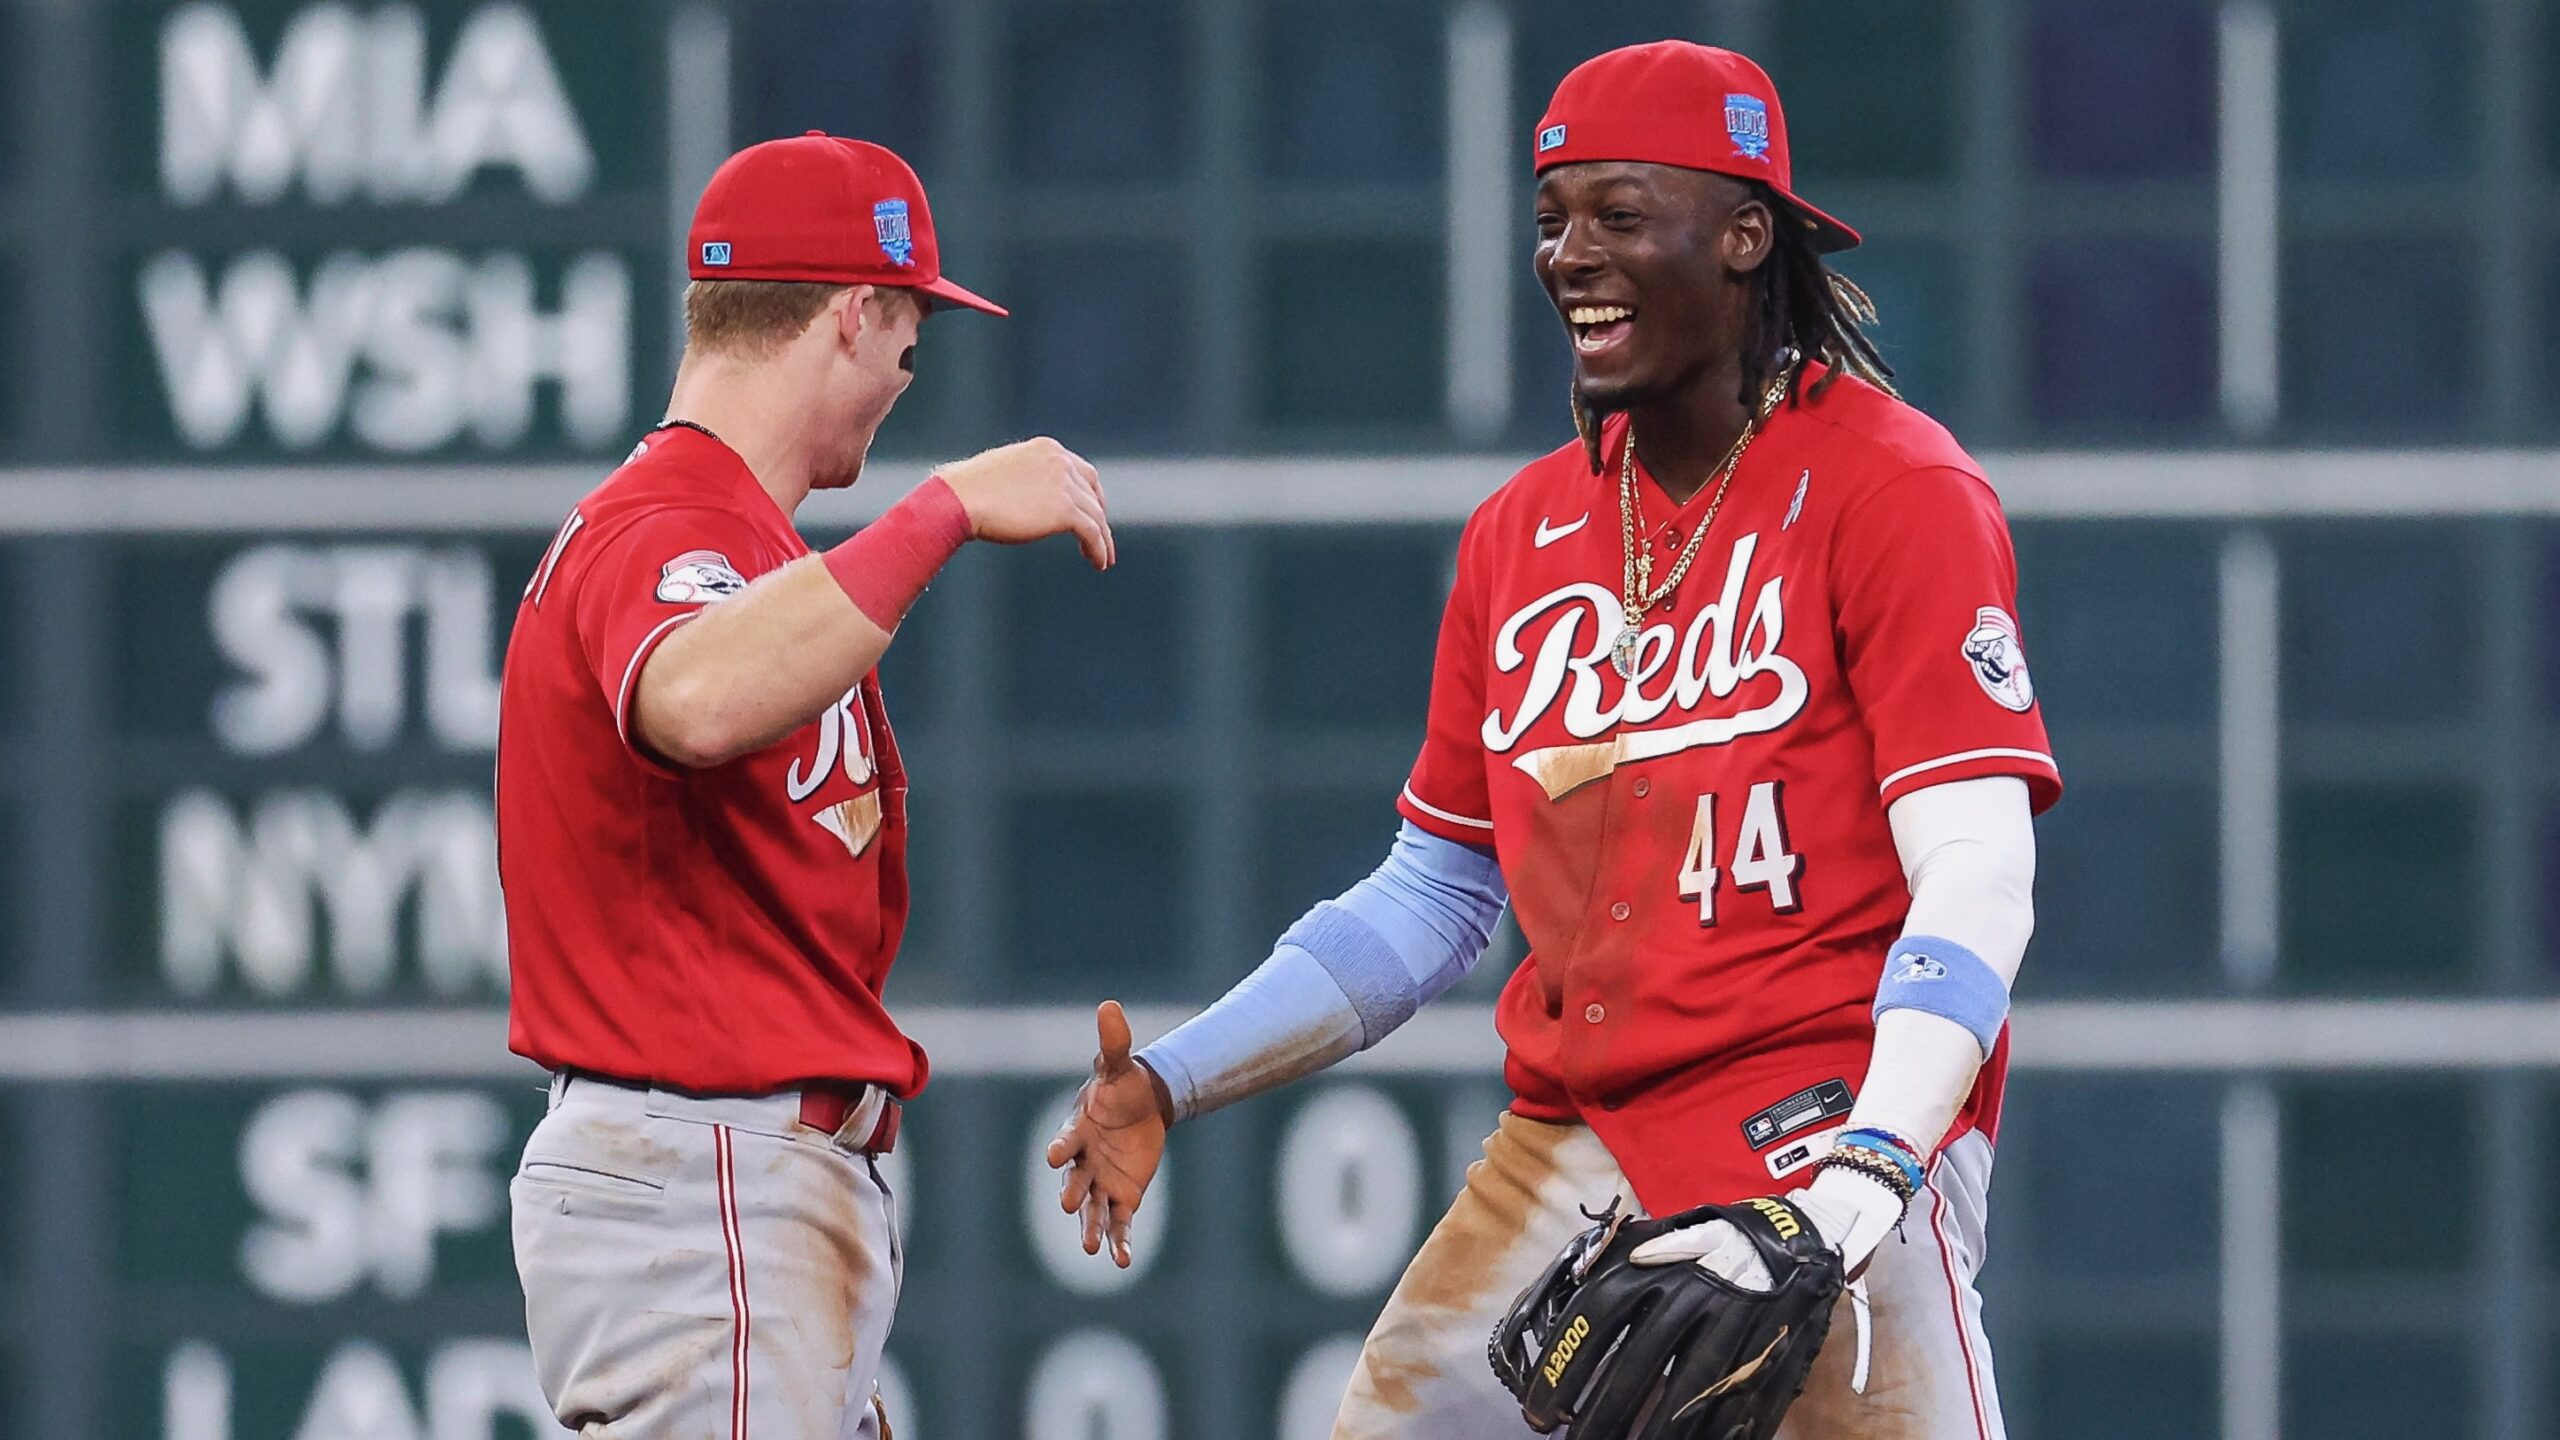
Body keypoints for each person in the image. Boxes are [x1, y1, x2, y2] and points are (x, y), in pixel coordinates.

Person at [1046, 41, 2057, 1439]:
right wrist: (1176, 1077)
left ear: (1744, 236)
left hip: (1820, 1138)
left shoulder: (1894, 488)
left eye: (1619, 216)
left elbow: (1979, 869)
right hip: (1571, 1145)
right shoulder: (1522, 534)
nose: (1571, 256)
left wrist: (1871, 1168)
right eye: (1552, 219)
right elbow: (1436, 893)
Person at [498, 132, 1112, 1440]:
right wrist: (944, 509)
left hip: (720, 1189)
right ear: (856, 314)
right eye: (909, 338)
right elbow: (693, 698)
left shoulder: (735, 537)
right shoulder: (671, 524)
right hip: (705, 1175)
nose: (904, 376)